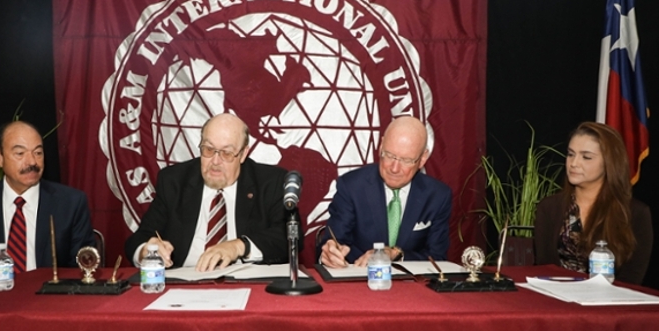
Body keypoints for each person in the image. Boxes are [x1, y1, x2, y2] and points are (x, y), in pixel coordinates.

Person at [125, 113, 295, 271]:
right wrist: (145, 250)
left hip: (248, 284)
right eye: (208, 149)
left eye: (227, 153)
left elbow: (288, 238)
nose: (215, 161)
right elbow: (141, 238)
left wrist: (238, 246)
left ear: (243, 154)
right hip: (185, 283)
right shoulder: (174, 181)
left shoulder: (270, 182)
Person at [0, 121, 95, 289]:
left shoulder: (70, 203)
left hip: (49, 306)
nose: (32, 162)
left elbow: (82, 270)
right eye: (20, 153)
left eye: (38, 152)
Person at [320, 115, 452, 268]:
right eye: (389, 155)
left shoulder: (437, 196)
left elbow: (437, 257)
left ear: (422, 159)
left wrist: (396, 255)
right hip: (359, 282)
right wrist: (330, 252)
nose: (394, 168)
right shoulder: (351, 187)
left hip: (411, 286)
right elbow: (335, 240)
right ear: (381, 145)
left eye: (406, 160)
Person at [534, 122, 652, 285]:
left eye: (586, 157)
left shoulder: (635, 213)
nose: (574, 163)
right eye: (570, 154)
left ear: (609, 162)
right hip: (557, 300)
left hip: (612, 304)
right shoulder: (549, 208)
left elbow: (633, 276)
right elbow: (544, 268)